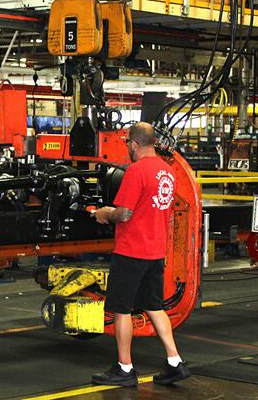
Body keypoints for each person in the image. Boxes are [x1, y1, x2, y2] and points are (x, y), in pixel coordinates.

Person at [90, 122, 191, 387]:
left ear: (134, 143)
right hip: (155, 250)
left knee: (121, 308)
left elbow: (124, 213)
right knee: (154, 305)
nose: (127, 149)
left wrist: (103, 214)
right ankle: (175, 361)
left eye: (127, 144)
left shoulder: (136, 171)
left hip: (131, 250)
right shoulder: (167, 172)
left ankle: (125, 368)